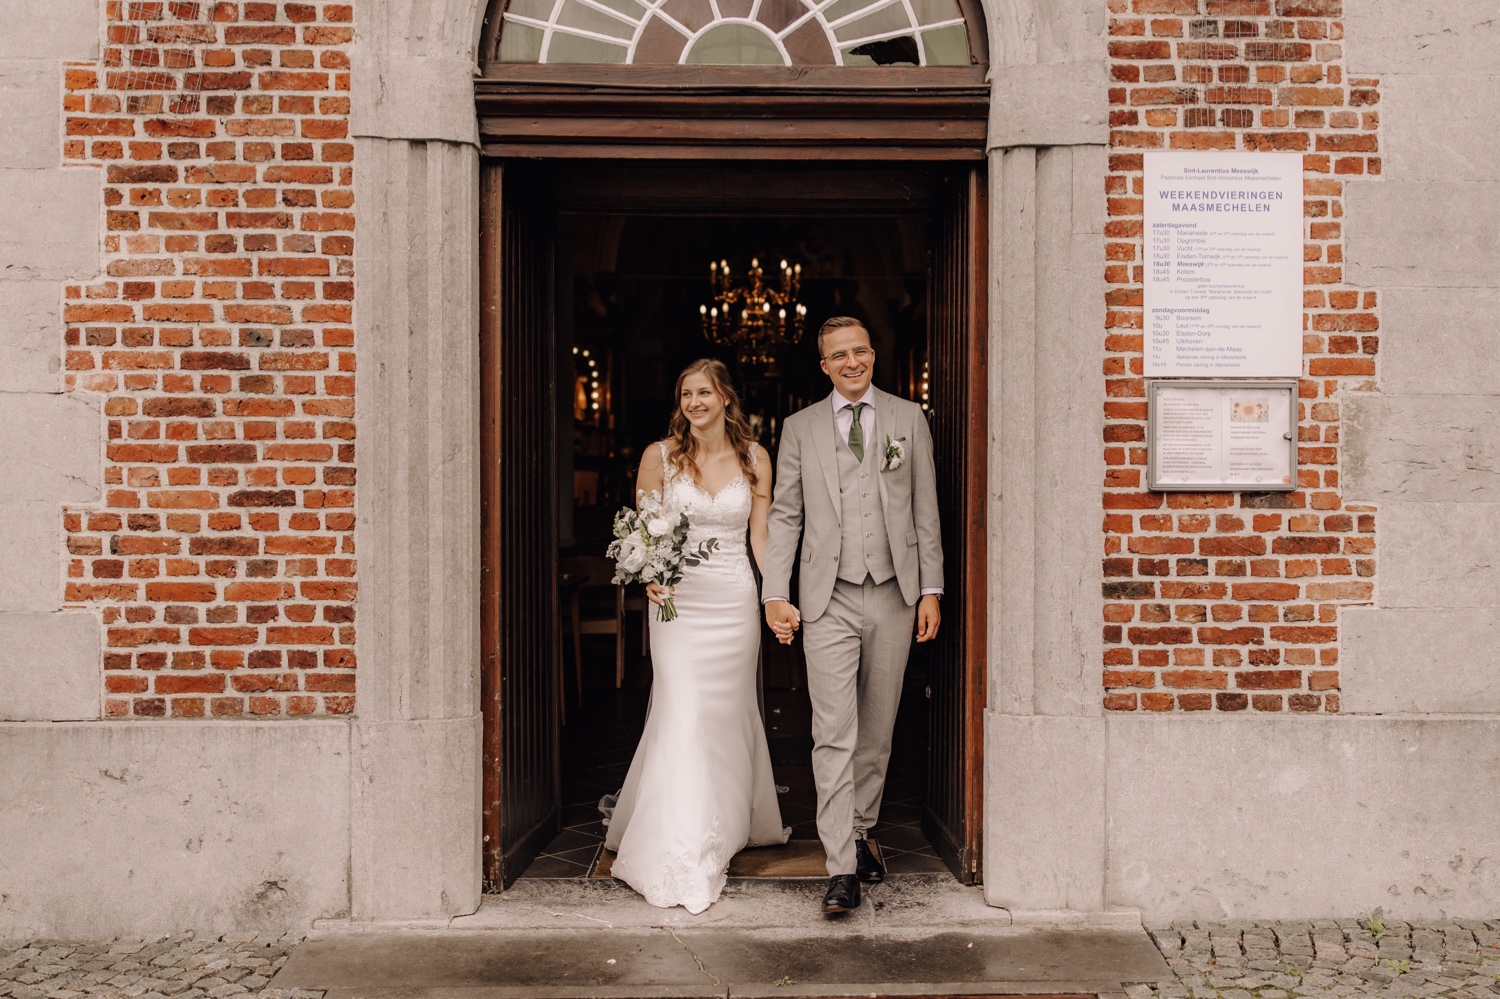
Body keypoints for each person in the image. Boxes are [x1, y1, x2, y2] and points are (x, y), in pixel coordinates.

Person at [761, 316, 943, 916]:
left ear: (873, 354)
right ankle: (840, 866)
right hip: (828, 597)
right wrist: (775, 592)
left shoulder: (908, 419)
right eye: (838, 355)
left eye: (860, 350)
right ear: (824, 366)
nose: (851, 362)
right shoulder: (799, 428)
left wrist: (931, 590)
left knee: (878, 729)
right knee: (832, 733)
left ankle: (861, 828)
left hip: (894, 592)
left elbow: (925, 510)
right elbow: (785, 516)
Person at [603, 358, 790, 914]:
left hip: (733, 602)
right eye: (686, 394)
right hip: (679, 608)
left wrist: (773, 595)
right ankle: (681, 848)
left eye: (704, 392)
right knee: (681, 712)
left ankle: (725, 825)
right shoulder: (657, 458)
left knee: (723, 718)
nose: (694, 403)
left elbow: (760, 538)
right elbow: (644, 532)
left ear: (726, 398)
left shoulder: (756, 458)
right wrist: (651, 576)